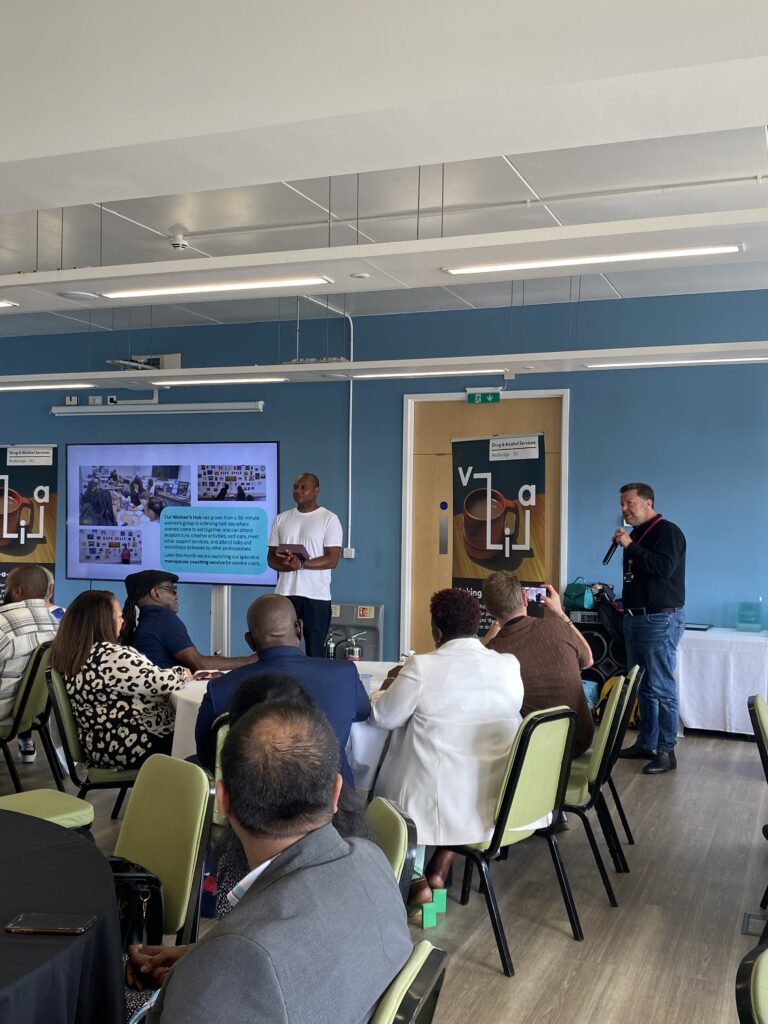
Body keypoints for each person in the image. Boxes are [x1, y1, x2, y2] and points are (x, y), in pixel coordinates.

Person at [126, 698, 412, 1024]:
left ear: (224, 801)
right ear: (335, 794)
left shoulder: (242, 961)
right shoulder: (372, 859)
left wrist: (208, 971)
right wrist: (197, 961)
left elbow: (256, 967)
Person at [372, 587, 523, 904]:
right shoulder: (508, 665)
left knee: (390, 779)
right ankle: (437, 878)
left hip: (437, 806)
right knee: (451, 775)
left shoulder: (423, 667)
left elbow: (384, 717)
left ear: (437, 630)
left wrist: (388, 687)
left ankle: (419, 887)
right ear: (477, 624)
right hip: (494, 802)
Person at [194, 593, 369, 781]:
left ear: (250, 640)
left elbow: (208, 756)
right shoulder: (344, 674)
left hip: (254, 803)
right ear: (300, 628)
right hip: (332, 799)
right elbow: (363, 712)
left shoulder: (219, 688)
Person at [50, 590, 191, 770]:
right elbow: (159, 682)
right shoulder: (112, 656)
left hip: (100, 746)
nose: (123, 621)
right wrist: (182, 673)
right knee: (199, 738)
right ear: (103, 622)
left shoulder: (74, 654)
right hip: (133, 746)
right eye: (118, 616)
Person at [614, 482, 686, 775]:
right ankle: (647, 743)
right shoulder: (638, 535)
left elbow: (664, 568)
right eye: (622, 504)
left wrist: (632, 546)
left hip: (659, 619)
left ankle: (667, 751)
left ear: (648, 502)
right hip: (634, 618)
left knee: (661, 685)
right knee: (641, 684)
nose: (624, 509)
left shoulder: (666, 531)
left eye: (629, 503)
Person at [482, 572, 595, 756]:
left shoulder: (493, 652)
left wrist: (496, 620)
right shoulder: (557, 626)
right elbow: (588, 660)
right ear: (525, 599)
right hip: (579, 738)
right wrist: (560, 613)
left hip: (539, 751)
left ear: (489, 611)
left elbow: (477, 652)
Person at [120, 570, 259, 673]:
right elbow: (200, 665)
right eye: (172, 590)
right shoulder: (162, 619)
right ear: (155, 594)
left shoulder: (143, 621)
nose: (176, 595)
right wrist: (251, 660)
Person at [267, 473, 342, 658]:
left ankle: (314, 687)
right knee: (282, 650)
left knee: (315, 652)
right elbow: (271, 558)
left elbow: (332, 559)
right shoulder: (281, 518)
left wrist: (301, 564)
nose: (297, 491)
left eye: (303, 487)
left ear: (316, 490)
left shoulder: (329, 519)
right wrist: (284, 564)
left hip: (316, 596)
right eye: (295, 487)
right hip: (285, 594)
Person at [0, 565, 59, 763]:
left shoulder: (3, 625)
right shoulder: (58, 624)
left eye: (6, 587)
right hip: (31, 714)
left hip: (3, 716)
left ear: (17, 591)